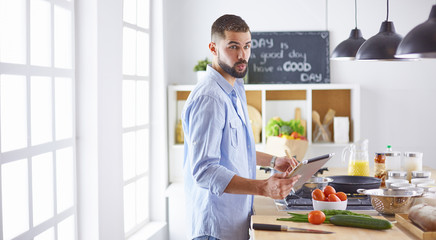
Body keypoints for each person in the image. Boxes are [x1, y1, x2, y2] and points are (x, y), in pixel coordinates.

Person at [182, 14, 300, 240]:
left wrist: (274, 161)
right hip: (215, 229)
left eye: (247, 46)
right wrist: (262, 187)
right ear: (213, 48)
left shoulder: (234, 89)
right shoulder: (210, 98)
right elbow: (204, 171)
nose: (242, 54)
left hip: (235, 223)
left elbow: (233, 150)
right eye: (233, 46)